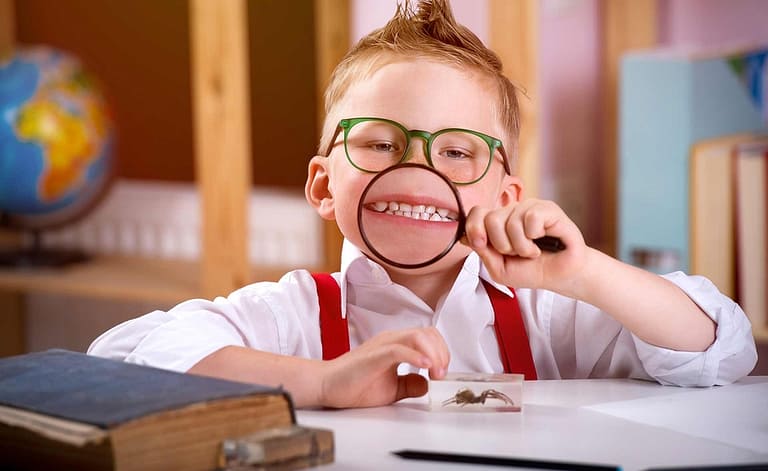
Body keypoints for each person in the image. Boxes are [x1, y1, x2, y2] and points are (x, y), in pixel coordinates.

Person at [89, 0, 757, 408]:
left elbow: (719, 348)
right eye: (381, 143)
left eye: (457, 153)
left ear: (505, 194)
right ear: (324, 185)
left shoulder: (552, 311)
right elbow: (128, 357)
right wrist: (321, 381)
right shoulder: (290, 311)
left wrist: (584, 273)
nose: (415, 171)